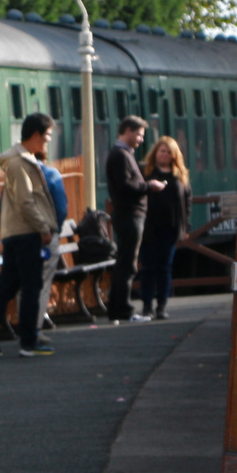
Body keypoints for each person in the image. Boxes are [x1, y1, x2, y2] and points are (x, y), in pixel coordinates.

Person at [0, 113, 59, 358]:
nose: (47, 142)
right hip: (26, 233)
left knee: (7, 287)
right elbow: (26, 201)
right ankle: (27, 341)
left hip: (16, 232)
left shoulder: (20, 160)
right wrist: (43, 228)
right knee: (31, 287)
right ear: (35, 135)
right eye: (46, 137)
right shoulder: (19, 163)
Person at [103, 116, 165, 324]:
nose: (140, 140)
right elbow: (124, 187)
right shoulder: (120, 155)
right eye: (138, 135)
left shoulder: (123, 154)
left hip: (129, 215)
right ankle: (124, 310)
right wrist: (150, 186)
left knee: (126, 262)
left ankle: (117, 309)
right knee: (127, 264)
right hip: (129, 215)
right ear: (127, 130)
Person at [139, 135, 193, 320]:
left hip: (170, 227)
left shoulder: (180, 175)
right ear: (155, 153)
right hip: (149, 227)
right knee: (148, 267)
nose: (165, 154)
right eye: (162, 151)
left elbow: (187, 201)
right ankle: (147, 306)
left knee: (165, 267)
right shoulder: (146, 172)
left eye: (169, 152)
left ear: (174, 155)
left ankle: (162, 306)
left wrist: (186, 226)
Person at [35, 150, 68, 333]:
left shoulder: (13, 176)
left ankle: (25, 328)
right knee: (43, 282)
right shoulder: (51, 174)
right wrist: (55, 229)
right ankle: (35, 328)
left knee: (26, 285)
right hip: (47, 235)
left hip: (22, 237)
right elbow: (61, 207)